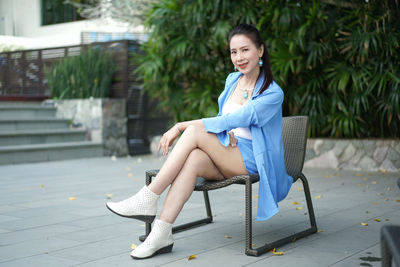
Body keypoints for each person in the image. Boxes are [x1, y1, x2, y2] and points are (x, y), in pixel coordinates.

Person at [106, 23, 293, 259]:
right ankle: (162, 231)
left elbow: (242, 117)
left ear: (261, 51)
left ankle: (148, 196)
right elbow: (224, 120)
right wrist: (227, 133)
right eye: (233, 52)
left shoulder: (273, 92)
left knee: (193, 133)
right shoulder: (232, 81)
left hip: (254, 160)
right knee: (193, 158)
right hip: (229, 151)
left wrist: (181, 125)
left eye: (245, 50)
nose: (239, 57)